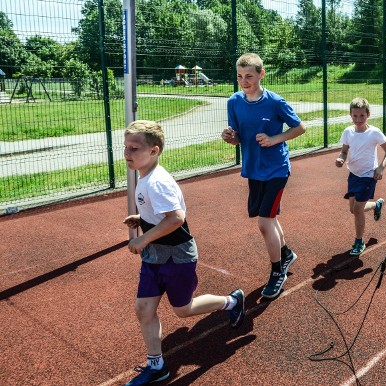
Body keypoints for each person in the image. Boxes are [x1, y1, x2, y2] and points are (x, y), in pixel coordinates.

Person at [122, 120, 245, 386]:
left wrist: (142, 238)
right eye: (125, 147)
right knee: (144, 309)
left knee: (183, 310)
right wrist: (142, 218)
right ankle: (157, 366)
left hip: (177, 257)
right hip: (155, 256)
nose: (127, 153)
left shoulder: (157, 182)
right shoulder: (144, 175)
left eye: (134, 148)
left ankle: (232, 302)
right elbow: (163, 214)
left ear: (154, 151)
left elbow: (176, 219)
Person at [221, 53, 305, 299]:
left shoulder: (275, 102)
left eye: (249, 76)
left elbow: (299, 127)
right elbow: (237, 137)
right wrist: (230, 138)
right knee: (269, 218)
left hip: (277, 169)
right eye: (239, 76)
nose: (244, 81)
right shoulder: (233, 102)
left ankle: (278, 271)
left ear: (261, 74)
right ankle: (286, 253)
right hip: (253, 169)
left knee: (264, 222)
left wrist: (274, 139)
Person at [335, 97, 386, 256]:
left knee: (358, 209)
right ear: (350, 115)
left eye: (362, 115)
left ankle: (359, 241)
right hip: (353, 174)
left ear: (368, 114)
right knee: (353, 209)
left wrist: (381, 167)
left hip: (369, 175)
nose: (358, 119)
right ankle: (376, 205)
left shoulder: (374, 132)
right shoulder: (348, 131)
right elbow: (344, 151)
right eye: (355, 116)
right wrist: (341, 158)